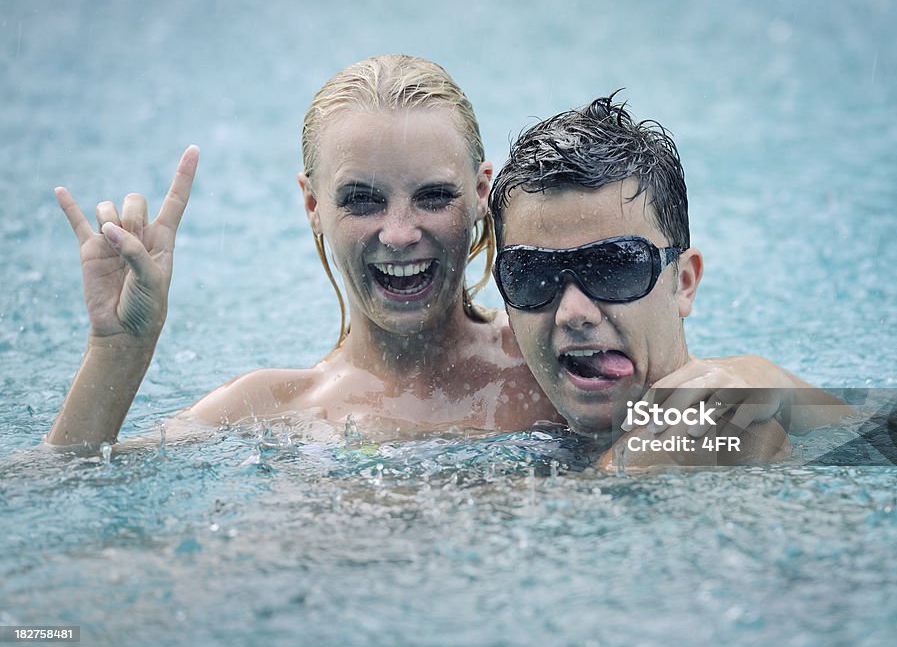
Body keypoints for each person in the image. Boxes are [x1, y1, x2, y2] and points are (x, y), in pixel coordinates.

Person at [45, 55, 814, 455]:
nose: (401, 231)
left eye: (434, 197)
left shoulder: (564, 365)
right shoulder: (272, 409)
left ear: (483, 195)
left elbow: (758, 431)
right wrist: (117, 351)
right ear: (312, 204)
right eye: (362, 199)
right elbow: (58, 495)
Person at [489, 95, 850, 467]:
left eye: (614, 267)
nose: (572, 312)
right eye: (532, 275)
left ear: (684, 283)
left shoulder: (732, 427)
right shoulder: (509, 418)